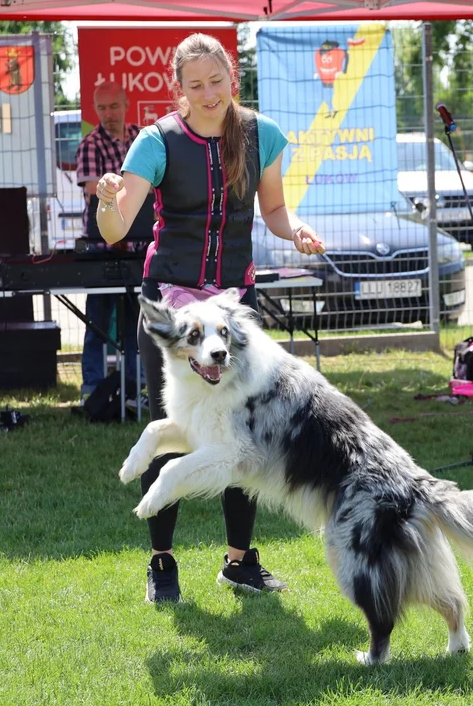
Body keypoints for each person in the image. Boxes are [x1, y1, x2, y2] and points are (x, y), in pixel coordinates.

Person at [92, 33, 326, 603]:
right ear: (180, 90)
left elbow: (271, 208)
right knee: (167, 423)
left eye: (216, 81)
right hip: (171, 304)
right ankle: (162, 562)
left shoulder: (261, 135)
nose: (207, 93)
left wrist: (293, 229)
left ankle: (239, 561)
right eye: (194, 85)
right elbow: (117, 228)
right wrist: (106, 199)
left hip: (231, 304)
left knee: (241, 425)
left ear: (232, 80)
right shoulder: (157, 141)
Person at [74, 81, 153, 403]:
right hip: (102, 249)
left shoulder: (144, 139)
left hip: (140, 248)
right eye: (102, 108)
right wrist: (135, 194)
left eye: (113, 106)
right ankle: (92, 390)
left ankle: (137, 389)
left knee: (138, 326)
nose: (109, 114)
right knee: (97, 322)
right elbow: (94, 191)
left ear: (126, 104)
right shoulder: (90, 144)